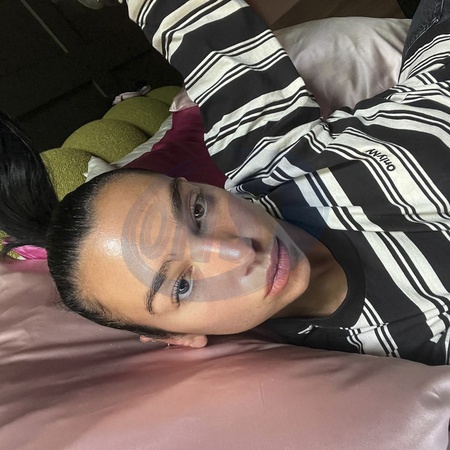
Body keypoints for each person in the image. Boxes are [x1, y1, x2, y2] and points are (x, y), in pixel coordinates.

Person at [2, 0, 450, 365]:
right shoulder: (400, 348)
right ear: (177, 337)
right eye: (181, 285)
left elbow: (193, 26)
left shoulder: (265, 159)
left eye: (198, 210)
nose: (239, 252)